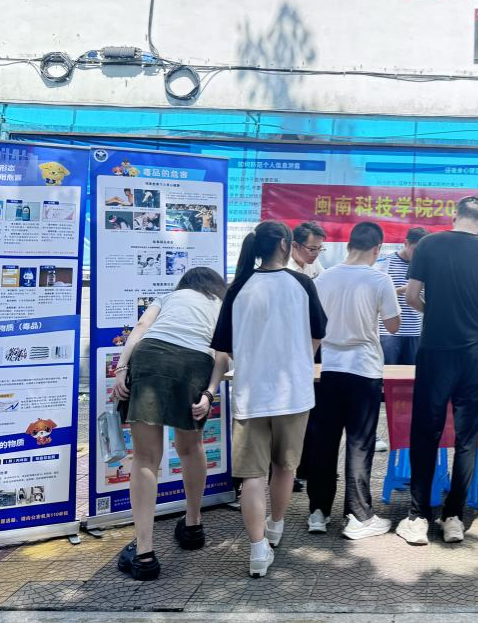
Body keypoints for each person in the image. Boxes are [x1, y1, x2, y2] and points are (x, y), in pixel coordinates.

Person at [211, 221, 328, 578]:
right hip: (293, 394)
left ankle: (257, 550)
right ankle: (275, 525)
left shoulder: (239, 287)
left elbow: (225, 346)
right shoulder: (301, 284)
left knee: (251, 475)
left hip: (251, 395)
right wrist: (300, 360)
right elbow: (318, 333)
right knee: (284, 467)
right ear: (283, 244)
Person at [395, 196, 478, 546]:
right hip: (475, 351)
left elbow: (411, 296)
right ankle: (454, 517)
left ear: (454, 215)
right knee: (467, 437)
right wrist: (474, 322)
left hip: (435, 348)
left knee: (425, 432)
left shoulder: (428, 244)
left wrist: (435, 314)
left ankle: (417, 517)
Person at [112, 268, 230, 581]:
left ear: (185, 284)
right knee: (191, 448)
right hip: (196, 362)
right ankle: (193, 526)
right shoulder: (222, 305)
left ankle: (145, 554)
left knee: (146, 457)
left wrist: (122, 368)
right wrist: (209, 393)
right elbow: (222, 354)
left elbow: (141, 328)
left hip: (151, 356)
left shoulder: (169, 297)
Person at [308, 222, 401, 540]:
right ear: (377, 249)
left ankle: (318, 512)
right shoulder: (380, 279)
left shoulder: (324, 278)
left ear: (349, 245)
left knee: (324, 442)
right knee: (360, 444)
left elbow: (314, 325)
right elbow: (392, 325)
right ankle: (359, 516)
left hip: (329, 369)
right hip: (364, 369)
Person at [377, 227, 429, 365]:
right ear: (406, 243)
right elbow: (377, 295)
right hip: (389, 332)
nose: (418, 255)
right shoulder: (386, 263)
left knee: (411, 375)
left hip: (415, 331)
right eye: (415, 250)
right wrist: (408, 289)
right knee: (388, 373)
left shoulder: (426, 266)